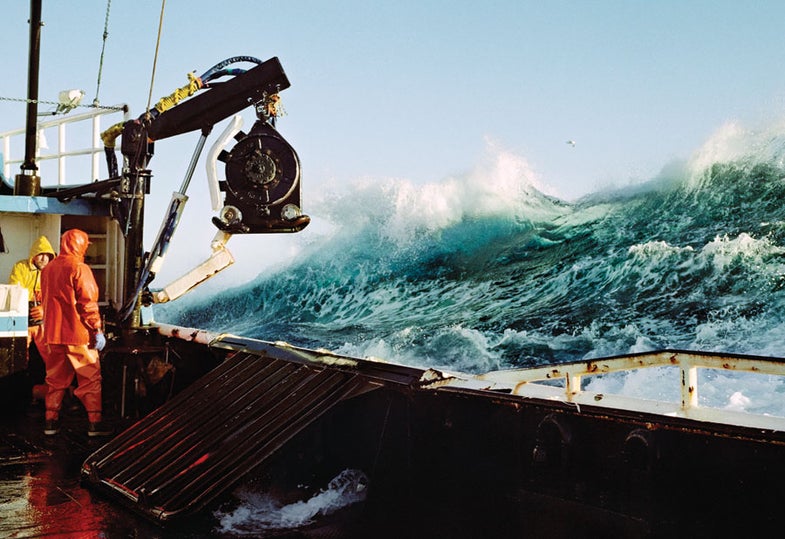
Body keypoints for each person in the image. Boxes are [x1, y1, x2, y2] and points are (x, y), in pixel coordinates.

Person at [40, 228, 110, 437]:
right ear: (80, 245)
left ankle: (50, 423)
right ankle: (95, 425)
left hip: (52, 334)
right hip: (78, 335)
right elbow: (87, 303)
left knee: (55, 381)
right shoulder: (80, 268)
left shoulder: (48, 269)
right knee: (90, 379)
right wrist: (96, 329)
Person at [8, 235, 56, 400]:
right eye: (40, 254)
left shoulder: (53, 271)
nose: (43, 258)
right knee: (20, 357)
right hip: (23, 321)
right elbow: (15, 290)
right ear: (33, 255)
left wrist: (44, 308)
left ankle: (54, 393)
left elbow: (58, 296)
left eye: (47, 255)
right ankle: (21, 394)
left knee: (52, 358)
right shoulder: (20, 267)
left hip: (45, 323)